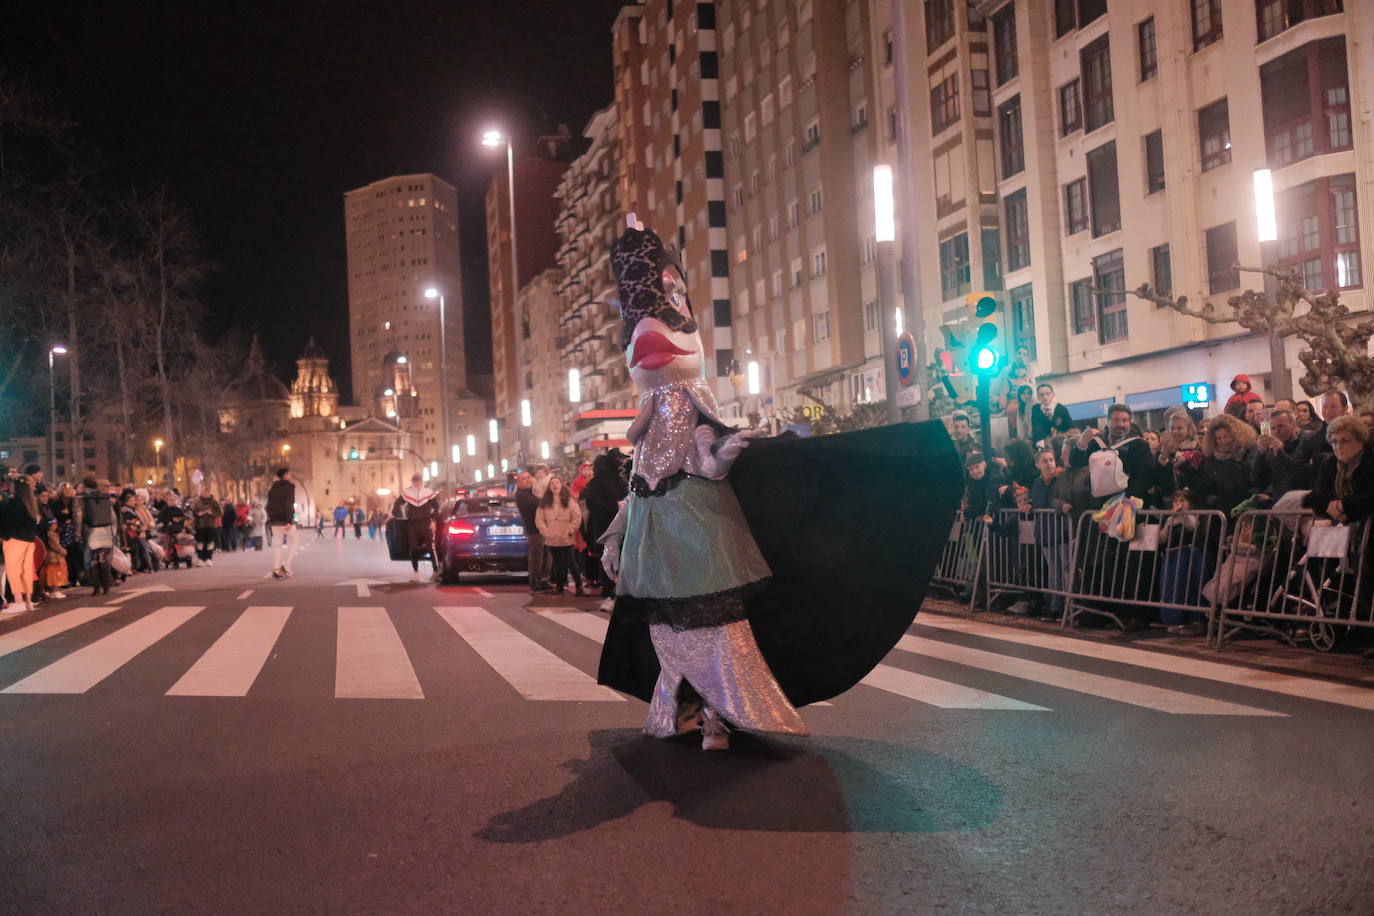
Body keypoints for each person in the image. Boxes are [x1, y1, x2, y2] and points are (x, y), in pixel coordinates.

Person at [1070, 404, 1154, 505]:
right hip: (1098, 504)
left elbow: (1143, 476)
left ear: (1130, 423)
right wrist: (1081, 445)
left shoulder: (1139, 445)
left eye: (1125, 420)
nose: (1121, 424)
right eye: (1116, 420)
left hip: (1127, 504)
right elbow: (1075, 462)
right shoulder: (1095, 442)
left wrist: (1126, 500)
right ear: (1108, 421)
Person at [1181, 413, 1259, 517]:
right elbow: (1206, 484)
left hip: (1245, 506)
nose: (1223, 441)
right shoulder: (1211, 458)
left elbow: (1253, 476)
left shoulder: (1249, 451)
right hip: (1221, 509)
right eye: (1219, 438)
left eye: (1226, 436)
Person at [1303, 415, 1374, 525]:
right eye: (1334, 442)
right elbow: (1317, 497)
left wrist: (1343, 506)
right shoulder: (1329, 464)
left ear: (1360, 442)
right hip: (1341, 529)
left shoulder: (1370, 461)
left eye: (1344, 441)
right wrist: (1334, 508)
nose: (1338, 446)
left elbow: (1369, 497)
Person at [583, 454, 628, 610]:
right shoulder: (597, 484)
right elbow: (592, 504)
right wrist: (615, 506)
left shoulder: (622, 481)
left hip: (623, 529)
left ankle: (620, 596)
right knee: (608, 562)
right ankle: (609, 595)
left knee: (622, 563)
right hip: (606, 529)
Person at [0, 466, 41, 612]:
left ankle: (18, 601)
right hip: (29, 540)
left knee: (14, 570)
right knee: (26, 570)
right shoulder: (31, 503)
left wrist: (5, 535)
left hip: (14, 539)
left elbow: (9, 522)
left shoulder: (14, 503)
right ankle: (28, 600)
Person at [537, 476, 584, 596]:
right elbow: (539, 519)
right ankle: (559, 585)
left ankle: (579, 585)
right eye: (552, 483)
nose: (555, 485)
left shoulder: (569, 501)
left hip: (565, 536)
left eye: (557, 482)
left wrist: (570, 530)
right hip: (552, 537)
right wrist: (546, 532)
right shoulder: (545, 503)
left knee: (571, 562)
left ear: (561, 485)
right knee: (557, 563)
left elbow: (577, 516)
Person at [391, 474, 439, 582]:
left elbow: (436, 507)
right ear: (412, 482)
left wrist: (434, 521)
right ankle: (415, 572)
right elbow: (397, 504)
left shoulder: (428, 492)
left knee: (430, 548)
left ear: (422, 481)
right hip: (412, 524)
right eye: (415, 481)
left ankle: (435, 571)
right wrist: (396, 514)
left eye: (419, 481)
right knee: (413, 548)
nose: (417, 483)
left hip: (426, 523)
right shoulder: (407, 492)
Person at [79, 475, 118, 596]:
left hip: (91, 532)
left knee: (93, 561)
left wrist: (81, 533)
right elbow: (113, 518)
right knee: (105, 561)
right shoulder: (107, 499)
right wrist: (114, 533)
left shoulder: (84, 499)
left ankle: (96, 587)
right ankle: (106, 587)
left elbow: (81, 517)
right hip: (106, 532)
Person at [515, 472, 551, 592]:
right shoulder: (521, 495)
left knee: (546, 556)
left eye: (528, 477)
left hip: (544, 528)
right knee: (536, 557)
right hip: (534, 529)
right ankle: (535, 582)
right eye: (523, 479)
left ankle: (544, 580)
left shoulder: (533, 491)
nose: (527, 480)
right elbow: (537, 504)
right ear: (518, 483)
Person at [266, 468, 299, 579]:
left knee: (278, 545)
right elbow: (288, 504)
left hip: (275, 521)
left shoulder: (272, 489)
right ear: (285, 475)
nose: (290, 475)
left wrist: (271, 518)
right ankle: (286, 565)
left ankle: (276, 569)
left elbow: (268, 506)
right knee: (295, 542)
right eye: (289, 473)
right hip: (285, 521)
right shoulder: (289, 487)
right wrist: (289, 520)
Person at [192, 489, 221, 566]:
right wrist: (198, 513)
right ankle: (200, 559)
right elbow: (194, 512)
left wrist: (212, 513)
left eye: (205, 492)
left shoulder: (213, 502)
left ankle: (209, 559)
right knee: (200, 543)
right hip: (200, 525)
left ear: (208, 493)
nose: (203, 494)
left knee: (210, 542)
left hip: (211, 525)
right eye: (202, 492)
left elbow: (219, 512)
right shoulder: (197, 502)